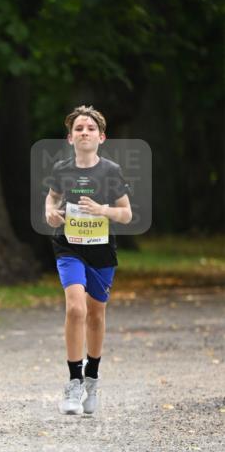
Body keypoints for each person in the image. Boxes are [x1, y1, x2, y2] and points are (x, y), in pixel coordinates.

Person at [44, 105, 133, 416]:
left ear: (101, 136)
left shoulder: (110, 171)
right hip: (69, 246)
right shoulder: (62, 169)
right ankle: (73, 381)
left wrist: (103, 210)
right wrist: (49, 212)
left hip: (101, 250)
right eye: (79, 128)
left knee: (95, 314)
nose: (84, 132)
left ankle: (92, 378)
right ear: (70, 138)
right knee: (75, 307)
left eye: (90, 128)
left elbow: (126, 213)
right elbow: (52, 197)